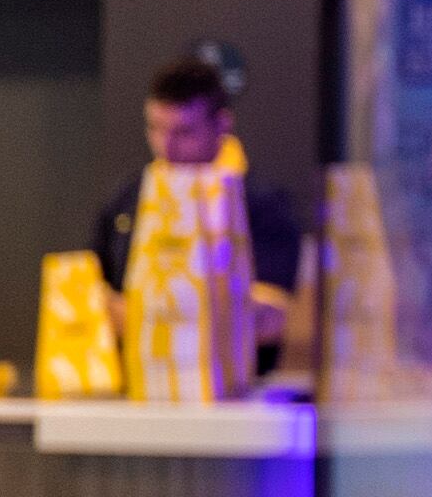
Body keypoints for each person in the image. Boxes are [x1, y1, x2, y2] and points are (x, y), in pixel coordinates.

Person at [91, 52, 311, 366]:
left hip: (236, 397)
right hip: (138, 390)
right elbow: (90, 300)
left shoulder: (262, 204)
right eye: (155, 128)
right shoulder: (127, 199)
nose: (165, 146)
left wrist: (145, 315)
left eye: (184, 132)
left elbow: (267, 320)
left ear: (222, 124)